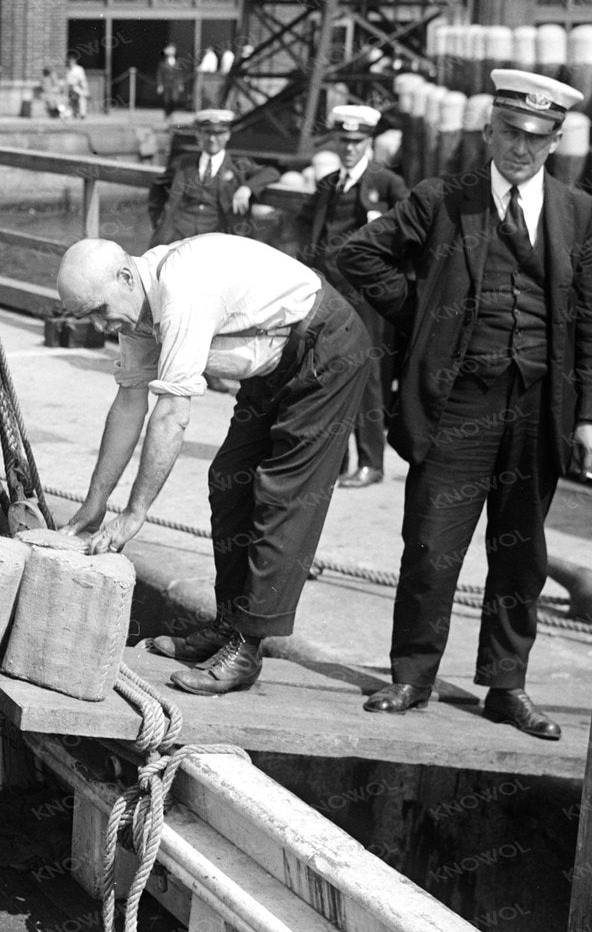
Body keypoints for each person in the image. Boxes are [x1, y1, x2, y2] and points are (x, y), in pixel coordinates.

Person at [336, 68, 592, 741]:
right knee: (431, 546)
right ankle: (413, 674)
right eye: (511, 132)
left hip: (538, 407)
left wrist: (591, 415)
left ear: (555, 142)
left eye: (536, 138)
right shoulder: (441, 199)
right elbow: (357, 255)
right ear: (491, 130)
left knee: (520, 554)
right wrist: (423, 315)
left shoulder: (579, 213)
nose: (521, 148)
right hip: (457, 404)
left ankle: (506, 685)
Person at [56, 233, 372, 696]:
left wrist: (136, 513)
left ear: (126, 276)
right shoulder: (135, 306)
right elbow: (129, 403)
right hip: (274, 360)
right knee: (229, 480)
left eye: (101, 311)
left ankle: (246, 648)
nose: (103, 327)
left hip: (324, 348)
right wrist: (96, 502)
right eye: (91, 317)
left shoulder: (183, 292)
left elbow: (171, 415)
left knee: (282, 494)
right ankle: (227, 626)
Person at [291, 103, 410, 488]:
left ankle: (372, 462)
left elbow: (409, 236)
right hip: (328, 292)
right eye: (344, 141)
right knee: (324, 371)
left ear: (370, 143)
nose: (349, 149)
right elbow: (306, 229)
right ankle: (335, 461)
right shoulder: (328, 186)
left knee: (369, 375)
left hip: (365, 296)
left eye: (357, 142)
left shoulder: (387, 184)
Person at [149, 109, 279, 249]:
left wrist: (246, 188)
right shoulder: (182, 163)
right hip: (177, 235)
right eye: (207, 133)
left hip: (219, 237)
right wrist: (161, 221)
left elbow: (272, 172)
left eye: (218, 133)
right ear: (198, 134)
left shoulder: (238, 165)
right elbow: (158, 188)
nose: (212, 139)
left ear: (228, 135)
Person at [155, 43, 188, 118]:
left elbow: (180, 74)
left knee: (174, 99)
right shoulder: (162, 63)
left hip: (175, 84)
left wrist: (180, 84)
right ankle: (167, 114)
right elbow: (159, 75)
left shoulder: (178, 63)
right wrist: (160, 85)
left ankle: (170, 112)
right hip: (166, 84)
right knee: (167, 100)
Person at [63, 54, 90, 120]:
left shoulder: (78, 69)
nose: (70, 63)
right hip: (69, 88)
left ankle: (82, 114)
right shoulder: (67, 70)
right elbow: (66, 81)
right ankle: (72, 114)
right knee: (69, 101)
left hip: (77, 87)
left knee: (81, 98)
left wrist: (85, 89)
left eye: (71, 61)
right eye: (69, 61)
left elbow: (82, 80)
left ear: (74, 61)